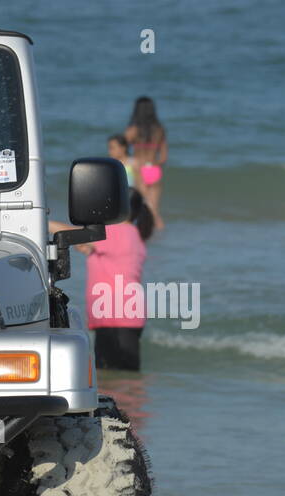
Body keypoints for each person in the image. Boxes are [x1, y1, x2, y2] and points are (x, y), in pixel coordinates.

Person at [49, 190, 156, 371]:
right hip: (128, 315)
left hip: (114, 315)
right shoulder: (133, 234)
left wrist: (41, 221)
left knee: (109, 377)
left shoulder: (114, 231)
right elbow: (93, 248)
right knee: (126, 377)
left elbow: (69, 234)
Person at [123, 97, 168, 230]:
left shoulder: (132, 130)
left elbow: (122, 150)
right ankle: (160, 236)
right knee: (154, 210)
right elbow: (164, 157)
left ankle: (139, 237)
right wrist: (153, 163)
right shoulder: (159, 130)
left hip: (138, 170)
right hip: (154, 170)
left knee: (138, 209)